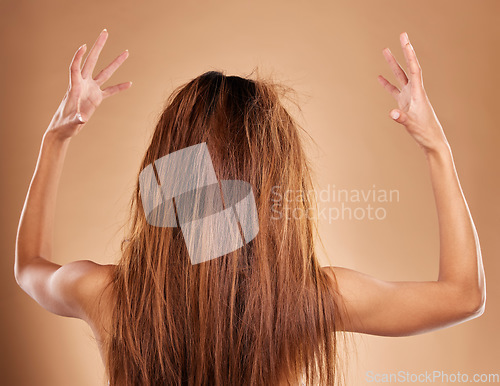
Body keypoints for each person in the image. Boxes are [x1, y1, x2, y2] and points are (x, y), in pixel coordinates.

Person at [14, 29, 485, 386]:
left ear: (165, 176)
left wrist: (55, 140)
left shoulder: (107, 294)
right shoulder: (308, 302)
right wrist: (436, 148)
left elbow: (28, 265)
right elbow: (464, 295)